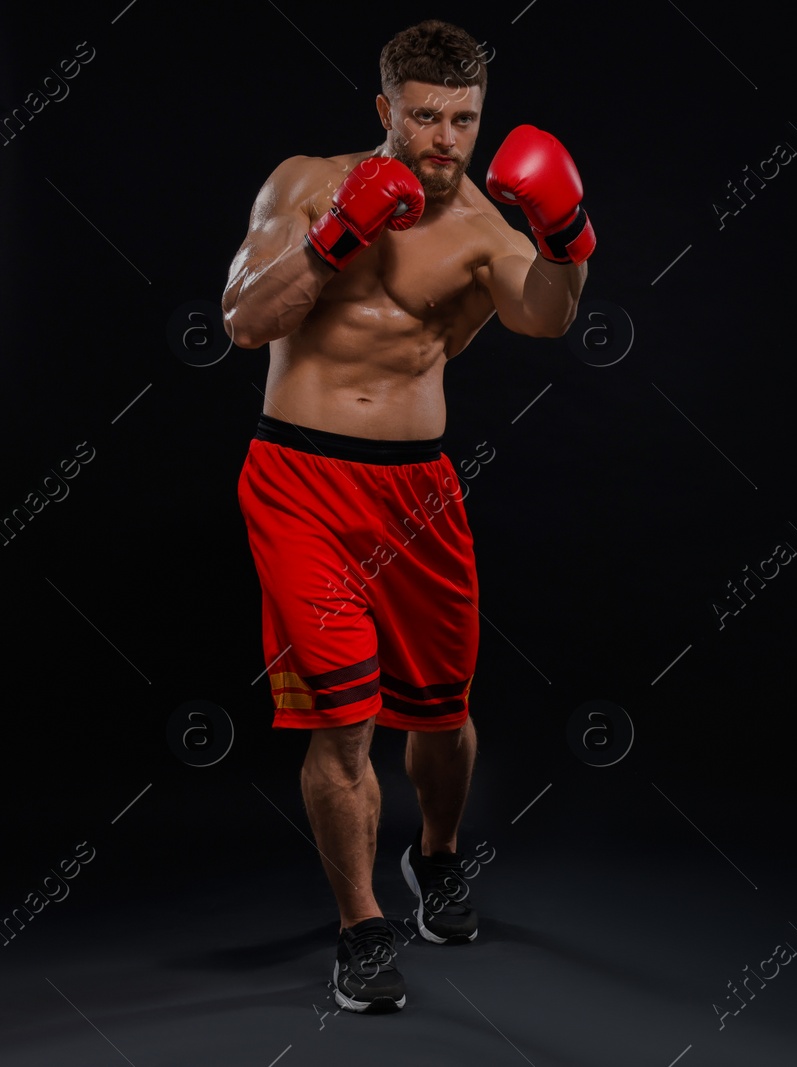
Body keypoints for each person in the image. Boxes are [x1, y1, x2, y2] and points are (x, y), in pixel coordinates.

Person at [223, 19, 593, 1013]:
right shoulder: (303, 180)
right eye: (423, 115)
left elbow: (549, 315)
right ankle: (362, 926)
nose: (442, 138)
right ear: (385, 109)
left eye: (462, 119)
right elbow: (244, 320)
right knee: (343, 716)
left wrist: (570, 234)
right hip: (298, 476)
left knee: (441, 712)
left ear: (481, 120)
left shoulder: (482, 228)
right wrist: (335, 232)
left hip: (418, 492)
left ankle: (435, 854)